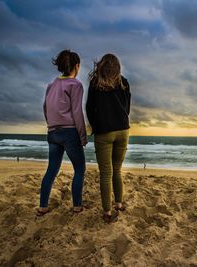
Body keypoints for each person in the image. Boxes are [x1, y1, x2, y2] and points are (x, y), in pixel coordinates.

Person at [37, 50, 88, 216]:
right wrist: (82, 135)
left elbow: (45, 108)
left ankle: (43, 206)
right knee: (79, 168)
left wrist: (51, 125)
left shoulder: (51, 85)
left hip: (53, 132)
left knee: (51, 170)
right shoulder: (75, 84)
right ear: (76, 66)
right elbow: (77, 112)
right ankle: (77, 206)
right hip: (70, 132)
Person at [86, 53, 131, 223]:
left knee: (106, 173)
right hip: (122, 130)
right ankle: (118, 204)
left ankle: (107, 212)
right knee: (117, 170)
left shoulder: (95, 83)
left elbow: (90, 109)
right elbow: (127, 107)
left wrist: (96, 126)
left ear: (101, 66)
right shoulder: (124, 82)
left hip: (104, 132)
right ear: (117, 67)